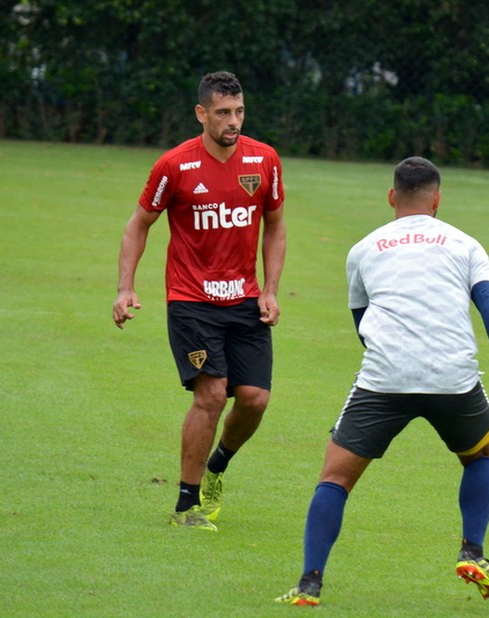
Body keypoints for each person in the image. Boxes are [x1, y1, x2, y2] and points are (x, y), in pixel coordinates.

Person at [276, 156, 489, 606]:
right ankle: (473, 551)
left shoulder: (363, 248)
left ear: (392, 197)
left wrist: (395, 359)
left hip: (384, 377)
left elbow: (361, 320)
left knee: (335, 478)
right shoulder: (465, 244)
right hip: (453, 376)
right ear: (437, 199)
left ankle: (309, 584)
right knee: (481, 454)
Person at [112, 70, 286, 532]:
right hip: (192, 300)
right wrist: (125, 287)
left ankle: (218, 465)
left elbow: (276, 225)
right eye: (224, 113)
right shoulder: (174, 166)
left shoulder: (264, 160)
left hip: (245, 300)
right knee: (210, 395)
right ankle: (186, 506)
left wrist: (269, 289)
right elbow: (138, 224)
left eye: (240, 111)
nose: (234, 121)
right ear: (202, 113)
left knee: (255, 400)